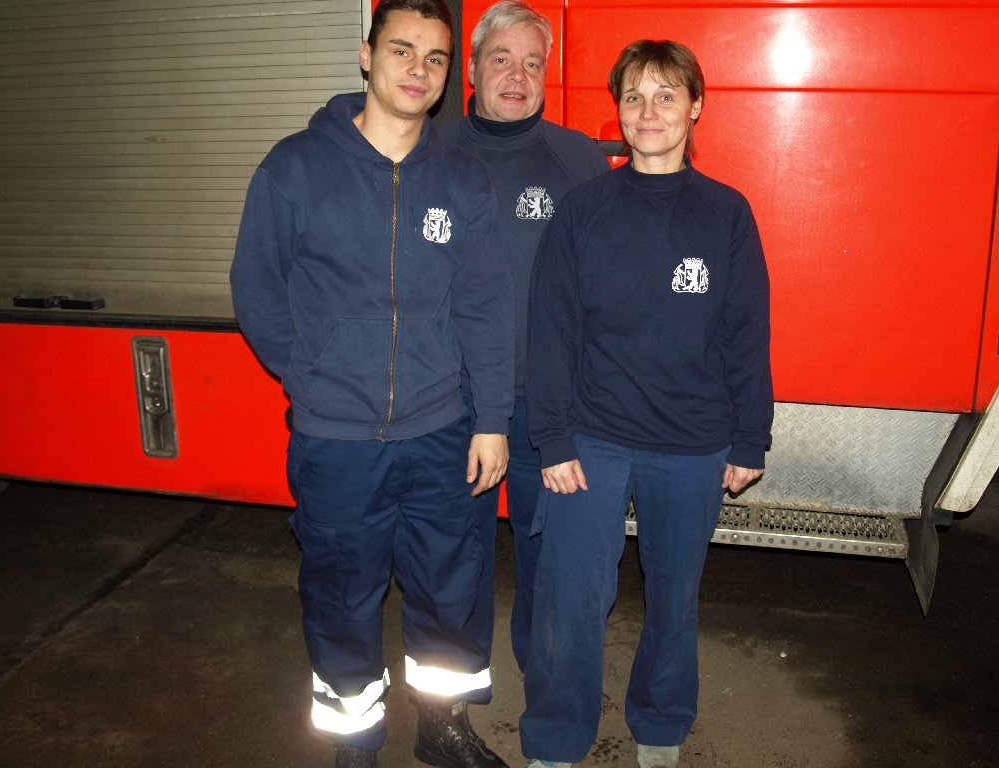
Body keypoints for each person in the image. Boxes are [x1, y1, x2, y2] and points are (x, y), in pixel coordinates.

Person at [229, 0, 516, 766]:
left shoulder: (462, 179)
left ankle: (442, 728)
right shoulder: (296, 168)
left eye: (436, 58)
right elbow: (257, 286)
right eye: (402, 50)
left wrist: (491, 418)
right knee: (341, 595)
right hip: (337, 441)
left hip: (442, 433)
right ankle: (354, 745)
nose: (419, 70)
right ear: (366, 55)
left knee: (449, 593)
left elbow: (487, 306)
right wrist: (310, 375)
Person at [518, 40, 773, 768]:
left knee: (674, 595)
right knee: (571, 596)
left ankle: (660, 725)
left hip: (693, 442)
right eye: (634, 96)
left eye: (666, 96)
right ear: (619, 112)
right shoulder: (583, 210)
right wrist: (553, 438)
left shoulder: (726, 214)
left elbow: (746, 331)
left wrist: (749, 437)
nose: (649, 111)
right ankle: (555, 737)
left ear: (695, 107)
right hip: (593, 438)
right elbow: (552, 330)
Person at [438, 0, 610, 674]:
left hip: (550, 409)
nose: (517, 75)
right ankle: (450, 705)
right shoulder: (430, 153)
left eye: (532, 63)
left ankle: (547, 696)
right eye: (502, 59)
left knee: (551, 564)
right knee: (455, 562)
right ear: (472, 69)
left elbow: (609, 281)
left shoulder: (579, 158)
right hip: (451, 404)